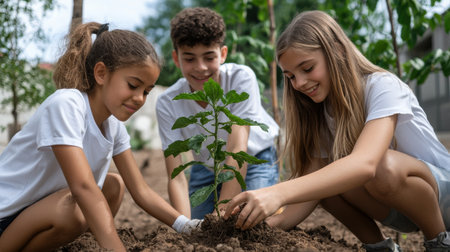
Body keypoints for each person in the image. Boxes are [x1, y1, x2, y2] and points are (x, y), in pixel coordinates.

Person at [224, 10, 450, 252]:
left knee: (379, 166)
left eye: (307, 68)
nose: (298, 83)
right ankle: (380, 247)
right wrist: (261, 224)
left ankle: (439, 242)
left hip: (443, 201)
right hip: (399, 210)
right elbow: (310, 188)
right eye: (290, 76)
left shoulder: (382, 86)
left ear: (337, 50)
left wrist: (276, 192)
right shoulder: (320, 112)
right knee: (321, 181)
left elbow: (367, 164)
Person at [0, 22, 201, 252]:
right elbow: (83, 187)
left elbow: (141, 191)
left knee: (113, 185)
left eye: (146, 91)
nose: (140, 98)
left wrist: (187, 225)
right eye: (133, 85)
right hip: (6, 218)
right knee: (73, 210)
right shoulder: (67, 104)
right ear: (101, 73)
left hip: (36, 214)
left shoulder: (113, 126)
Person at [156, 7, 280, 220]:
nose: (201, 67)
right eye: (189, 59)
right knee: (197, 225)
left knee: (252, 221)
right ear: (176, 59)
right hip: (207, 168)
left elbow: (237, 149)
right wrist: (183, 227)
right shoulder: (168, 102)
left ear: (222, 54)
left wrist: (222, 213)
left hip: (252, 158)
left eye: (208, 57)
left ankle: (275, 201)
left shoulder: (241, 79)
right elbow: (176, 176)